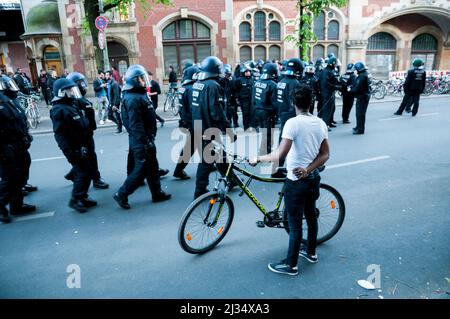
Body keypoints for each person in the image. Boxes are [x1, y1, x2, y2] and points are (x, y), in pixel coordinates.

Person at [249, 83, 330, 276]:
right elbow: (325, 154)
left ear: (293, 102)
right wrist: (309, 169)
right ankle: (311, 253)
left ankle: (291, 265)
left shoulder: (292, 123)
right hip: (313, 179)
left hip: (296, 182)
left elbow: (279, 154)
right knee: (311, 216)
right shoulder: (320, 123)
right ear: (312, 103)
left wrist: (258, 158)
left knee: (294, 225)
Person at [114, 65, 171, 209]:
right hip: (141, 140)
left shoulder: (138, 94)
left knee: (153, 167)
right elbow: (135, 124)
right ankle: (121, 194)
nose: (145, 81)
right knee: (140, 170)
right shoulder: (133, 98)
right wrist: (145, 141)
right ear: (134, 80)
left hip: (146, 138)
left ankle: (157, 193)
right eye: (141, 78)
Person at [50, 78, 97, 213]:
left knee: (88, 171)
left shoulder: (71, 105)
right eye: (70, 90)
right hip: (74, 148)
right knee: (82, 172)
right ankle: (75, 199)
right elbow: (60, 135)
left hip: (82, 145)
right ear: (62, 92)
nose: (72, 92)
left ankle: (83, 196)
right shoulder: (59, 110)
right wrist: (72, 152)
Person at [191, 56, 235, 199]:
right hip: (209, 128)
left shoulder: (198, 83)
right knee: (207, 160)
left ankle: (231, 179)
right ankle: (200, 190)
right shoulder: (213, 86)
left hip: (199, 126)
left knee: (219, 155)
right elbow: (217, 112)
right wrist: (229, 130)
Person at [0, 75, 37, 223]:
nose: (11, 87)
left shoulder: (10, 101)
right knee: (9, 178)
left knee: (21, 175)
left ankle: (17, 205)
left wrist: (26, 135)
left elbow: (19, 120)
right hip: (5, 147)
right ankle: (1, 208)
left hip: (18, 144)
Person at [64, 72, 109, 190]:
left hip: (87, 132)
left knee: (87, 157)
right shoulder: (73, 101)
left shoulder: (80, 99)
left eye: (82, 82)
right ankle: (96, 179)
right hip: (81, 135)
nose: (83, 85)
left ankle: (73, 174)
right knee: (89, 157)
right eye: (79, 83)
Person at [272, 58, 304, 178]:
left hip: (282, 113)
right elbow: (295, 102)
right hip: (290, 115)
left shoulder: (281, 80)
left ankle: (277, 168)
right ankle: (277, 169)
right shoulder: (294, 82)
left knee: (284, 141)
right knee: (288, 143)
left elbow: (275, 100)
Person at [173, 65, 201, 180]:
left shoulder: (183, 87)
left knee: (195, 145)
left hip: (187, 121)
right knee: (192, 147)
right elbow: (194, 107)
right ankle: (178, 170)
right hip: (194, 122)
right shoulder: (191, 88)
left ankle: (210, 164)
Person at [252, 62, 279, 156]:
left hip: (257, 111)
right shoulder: (273, 85)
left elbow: (253, 98)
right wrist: (276, 114)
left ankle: (265, 150)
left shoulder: (257, 82)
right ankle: (265, 152)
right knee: (267, 133)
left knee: (264, 131)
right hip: (267, 112)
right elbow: (275, 102)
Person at [318, 57, 341, 131]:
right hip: (327, 93)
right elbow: (326, 83)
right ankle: (325, 125)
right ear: (332, 64)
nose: (336, 66)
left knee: (332, 108)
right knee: (327, 109)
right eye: (335, 64)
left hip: (331, 92)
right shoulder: (326, 71)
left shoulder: (330, 70)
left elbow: (333, 80)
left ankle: (330, 121)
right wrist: (336, 87)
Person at [349, 62, 371, 135]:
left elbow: (358, 88)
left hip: (362, 97)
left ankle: (360, 129)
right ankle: (358, 126)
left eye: (356, 69)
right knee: (359, 113)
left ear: (358, 69)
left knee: (360, 114)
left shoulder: (362, 76)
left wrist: (350, 90)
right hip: (364, 96)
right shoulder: (364, 74)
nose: (356, 71)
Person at [234, 65, 254, 131]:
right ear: (243, 72)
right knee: (245, 113)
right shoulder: (239, 80)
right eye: (246, 71)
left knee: (251, 113)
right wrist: (237, 99)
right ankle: (246, 127)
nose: (248, 73)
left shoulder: (252, 79)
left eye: (249, 71)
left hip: (251, 99)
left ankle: (251, 125)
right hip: (243, 100)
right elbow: (236, 89)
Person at [105, 70, 123, 134]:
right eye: (105, 75)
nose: (106, 76)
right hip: (111, 102)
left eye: (107, 75)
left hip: (115, 103)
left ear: (111, 76)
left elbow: (116, 95)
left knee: (117, 116)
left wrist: (115, 105)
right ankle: (119, 124)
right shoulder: (109, 83)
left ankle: (120, 129)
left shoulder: (114, 83)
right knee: (109, 115)